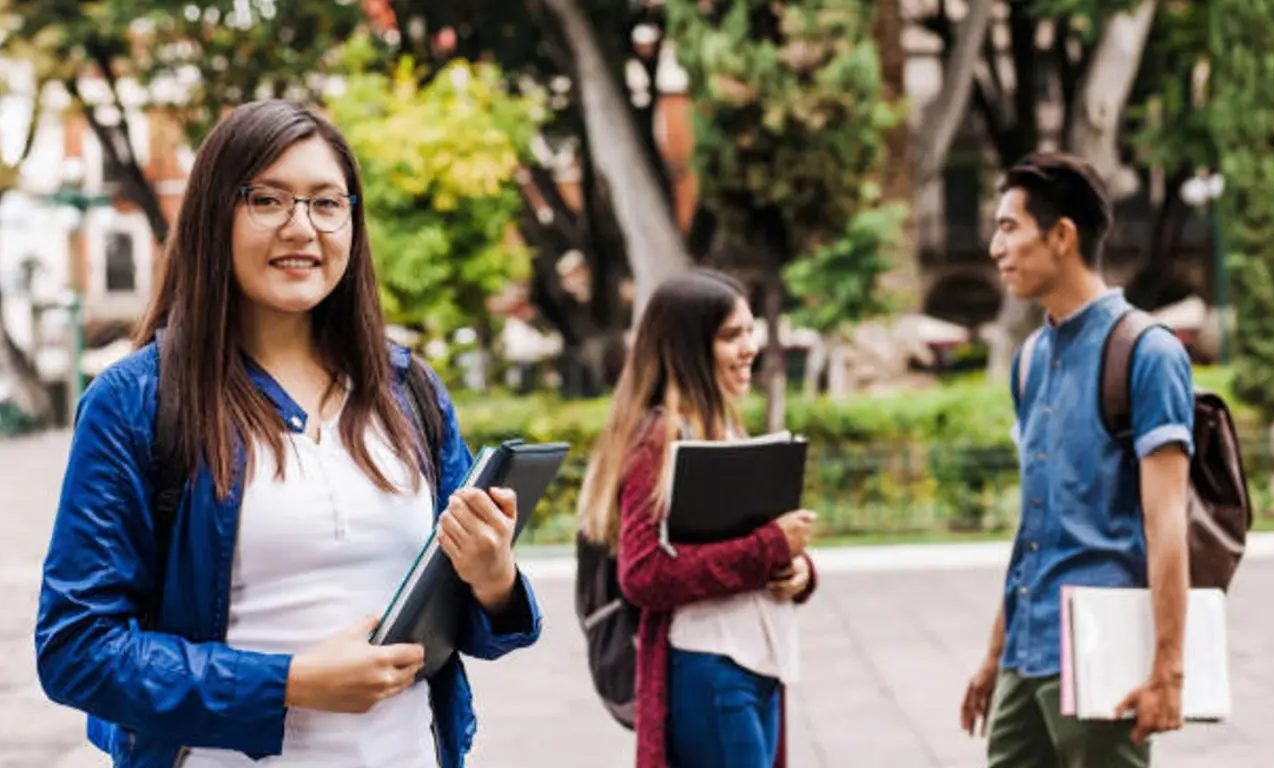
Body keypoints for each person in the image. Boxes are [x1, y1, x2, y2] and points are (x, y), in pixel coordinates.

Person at [34, 100, 542, 768]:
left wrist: (493, 576)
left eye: (328, 203)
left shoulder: (408, 392)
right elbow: (78, 650)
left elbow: (472, 623)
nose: (302, 227)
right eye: (268, 200)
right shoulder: (138, 402)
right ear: (218, 214)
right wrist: (291, 684)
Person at [960, 152, 1193, 767]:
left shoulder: (1147, 351)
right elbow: (1035, 526)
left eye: (1009, 227)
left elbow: (1166, 523)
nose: (994, 247)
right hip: (1026, 651)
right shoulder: (1030, 358)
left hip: (1102, 650)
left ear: (1062, 235)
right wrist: (993, 655)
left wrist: (1168, 668)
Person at [577, 269, 818, 768]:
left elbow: (744, 544)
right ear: (688, 347)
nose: (750, 347)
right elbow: (643, 574)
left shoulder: (723, 426)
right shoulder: (659, 439)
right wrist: (770, 547)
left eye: (750, 331)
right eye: (732, 335)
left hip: (758, 665)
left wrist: (796, 572)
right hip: (710, 670)